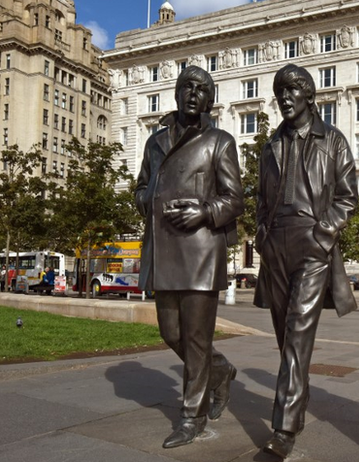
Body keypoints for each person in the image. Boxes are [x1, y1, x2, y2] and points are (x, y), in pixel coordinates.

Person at [135, 66, 244, 449]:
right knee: (171, 333)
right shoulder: (155, 142)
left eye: (202, 89)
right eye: (187, 87)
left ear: (210, 99)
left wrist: (202, 212)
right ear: (177, 94)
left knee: (196, 339)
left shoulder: (220, 141)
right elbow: (142, 187)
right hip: (164, 247)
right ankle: (221, 370)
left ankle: (191, 416)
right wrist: (150, 200)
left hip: (200, 249)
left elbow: (235, 199)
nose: (193, 94)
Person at [254, 64, 358, 459]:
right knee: (286, 336)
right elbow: (261, 201)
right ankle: (298, 399)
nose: (284, 97)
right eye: (280, 90)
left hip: (313, 244)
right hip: (275, 245)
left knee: (298, 332)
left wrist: (324, 233)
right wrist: (263, 237)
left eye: (292, 90)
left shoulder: (333, 140)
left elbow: (347, 196)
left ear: (309, 96)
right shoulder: (270, 146)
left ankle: (283, 428)